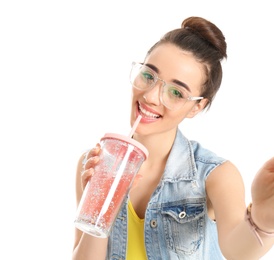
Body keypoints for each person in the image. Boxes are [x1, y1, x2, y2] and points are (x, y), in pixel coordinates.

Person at [72, 16, 274, 260]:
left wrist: (263, 220)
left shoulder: (216, 175)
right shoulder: (95, 163)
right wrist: (100, 210)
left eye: (176, 92)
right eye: (148, 76)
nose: (151, 97)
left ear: (196, 107)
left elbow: (236, 250)